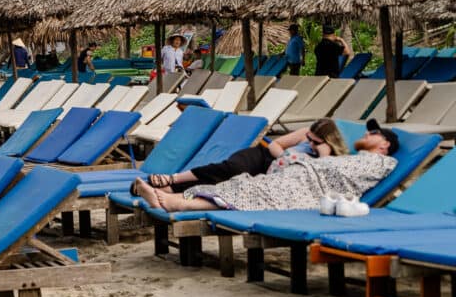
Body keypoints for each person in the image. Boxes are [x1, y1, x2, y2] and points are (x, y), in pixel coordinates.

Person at [133, 119, 399, 213]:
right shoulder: (357, 158)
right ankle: (173, 195)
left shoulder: (382, 162)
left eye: (371, 134)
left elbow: (337, 176)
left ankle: (175, 201)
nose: (365, 135)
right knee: (240, 181)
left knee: (250, 189)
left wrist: (319, 156)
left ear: (384, 144)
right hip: (284, 169)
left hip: (303, 182)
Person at [139, 119, 346, 194]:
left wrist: (322, 154)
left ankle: (166, 189)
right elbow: (270, 142)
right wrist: (284, 156)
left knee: (221, 183)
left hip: (270, 175)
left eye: (315, 142)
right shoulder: (304, 133)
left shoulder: (331, 158)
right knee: (231, 169)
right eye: (309, 138)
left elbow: (323, 175)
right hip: (262, 156)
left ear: (329, 142)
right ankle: (174, 178)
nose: (309, 142)